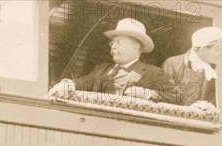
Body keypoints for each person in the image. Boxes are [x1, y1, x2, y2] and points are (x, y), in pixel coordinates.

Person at [48, 19, 180, 104]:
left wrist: (147, 93)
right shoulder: (101, 69)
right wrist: (68, 85)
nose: (113, 46)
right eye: (112, 42)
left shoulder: (154, 73)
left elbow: (177, 96)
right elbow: (84, 82)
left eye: (119, 42)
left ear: (136, 46)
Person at [162, 26, 222, 109]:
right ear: (203, 49)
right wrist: (189, 109)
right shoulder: (172, 64)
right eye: (218, 49)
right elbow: (165, 98)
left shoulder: (216, 70)